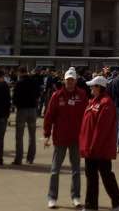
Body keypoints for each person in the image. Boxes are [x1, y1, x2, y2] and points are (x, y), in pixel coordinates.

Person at [44, 67, 87, 210]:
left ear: (75, 81)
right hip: (60, 138)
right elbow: (49, 116)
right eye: (68, 80)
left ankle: (75, 197)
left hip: (76, 138)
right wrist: (46, 135)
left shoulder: (81, 95)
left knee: (76, 170)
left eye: (72, 80)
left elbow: (86, 117)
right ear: (64, 80)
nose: (70, 82)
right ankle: (52, 197)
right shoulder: (57, 95)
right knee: (55, 170)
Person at [79, 75, 119, 211]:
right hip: (90, 148)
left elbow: (101, 129)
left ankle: (118, 203)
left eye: (93, 85)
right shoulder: (93, 101)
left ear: (99, 87)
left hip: (100, 149)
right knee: (91, 178)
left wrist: (93, 147)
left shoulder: (106, 103)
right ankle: (91, 206)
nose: (91, 88)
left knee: (106, 177)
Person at [12, 66, 40, 165]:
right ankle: (30, 158)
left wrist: (16, 105)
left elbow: (14, 98)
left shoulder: (19, 83)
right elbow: (38, 94)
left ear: (19, 73)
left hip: (22, 110)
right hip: (32, 109)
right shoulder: (34, 81)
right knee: (32, 135)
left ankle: (18, 158)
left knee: (19, 135)